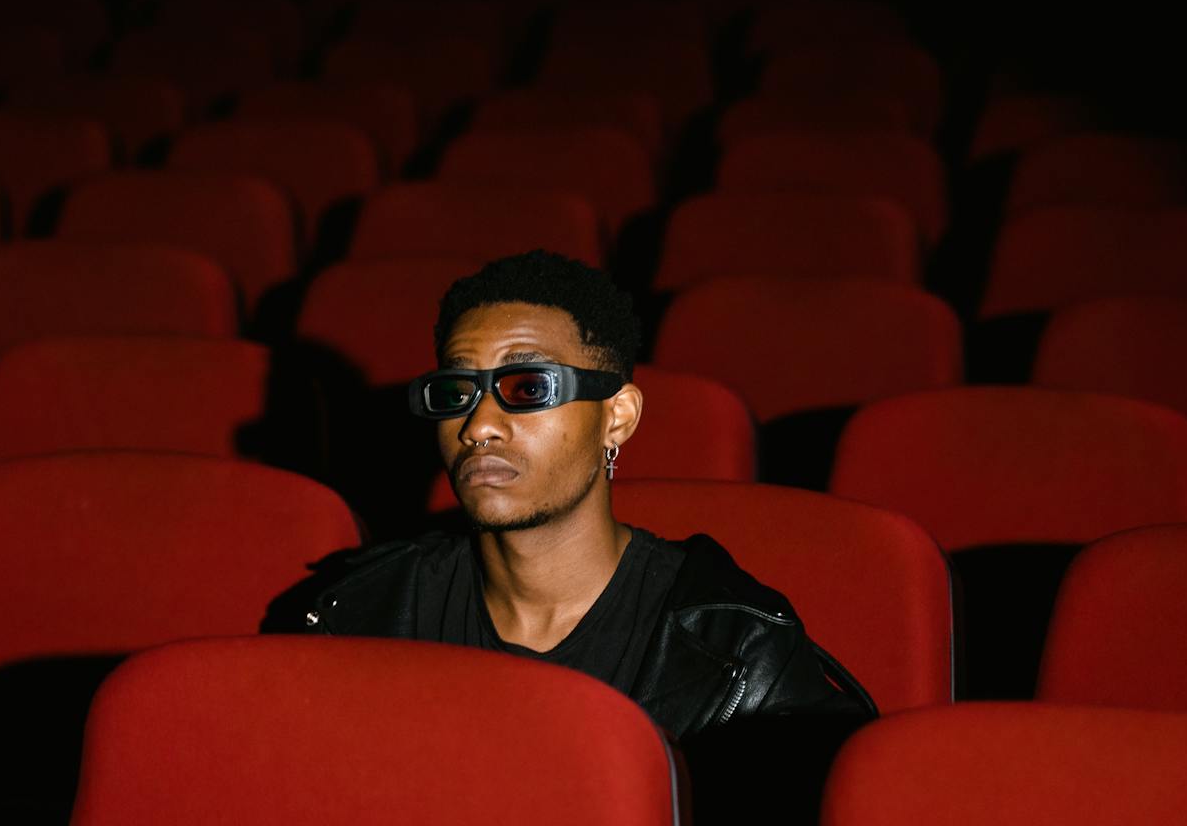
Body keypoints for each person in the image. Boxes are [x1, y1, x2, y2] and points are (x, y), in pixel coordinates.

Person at [267, 250, 873, 740]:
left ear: (617, 418)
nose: (478, 426)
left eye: (528, 386)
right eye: (456, 392)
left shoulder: (739, 653)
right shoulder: (355, 615)